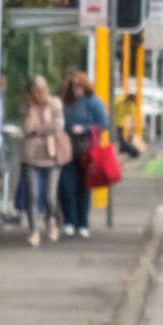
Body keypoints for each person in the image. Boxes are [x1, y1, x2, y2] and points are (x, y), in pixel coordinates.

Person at [13, 79, 69, 248]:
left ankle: (50, 220)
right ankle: (33, 230)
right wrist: (31, 112)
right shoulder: (26, 106)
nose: (35, 94)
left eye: (38, 90)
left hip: (51, 155)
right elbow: (26, 128)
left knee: (49, 196)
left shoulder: (55, 103)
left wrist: (38, 130)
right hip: (30, 156)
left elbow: (58, 127)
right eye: (33, 91)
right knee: (32, 194)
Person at [60, 76, 110, 240]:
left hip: (86, 150)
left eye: (80, 86)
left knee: (83, 187)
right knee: (66, 187)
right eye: (74, 86)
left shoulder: (93, 102)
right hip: (68, 149)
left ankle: (82, 223)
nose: (77, 89)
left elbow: (104, 123)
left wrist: (85, 128)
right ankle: (69, 221)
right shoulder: (67, 102)